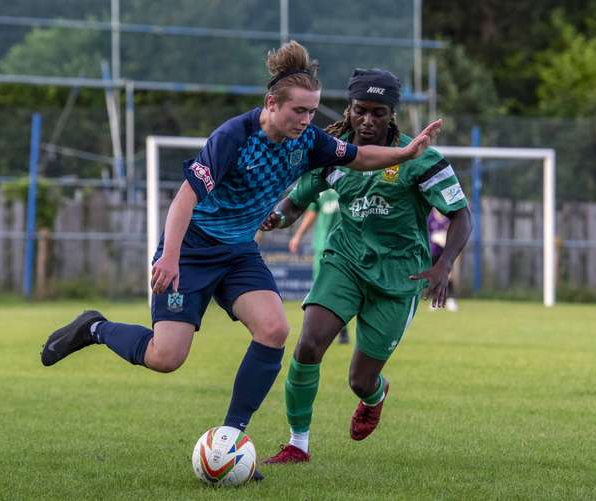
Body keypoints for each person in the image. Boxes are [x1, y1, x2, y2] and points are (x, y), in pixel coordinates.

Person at [39, 43, 444, 478]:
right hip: (192, 252)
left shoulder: (307, 141)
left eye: (313, 112)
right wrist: (170, 257)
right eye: (300, 111)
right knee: (166, 357)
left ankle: (231, 440)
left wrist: (405, 154)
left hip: (237, 254)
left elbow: (359, 156)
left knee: (274, 330)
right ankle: (95, 328)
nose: (308, 121)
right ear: (272, 103)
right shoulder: (233, 136)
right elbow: (184, 199)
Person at [260, 69, 472, 465]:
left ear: (391, 114)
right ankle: (297, 444)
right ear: (350, 109)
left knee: (360, 380)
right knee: (308, 346)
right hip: (346, 263)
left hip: (399, 276)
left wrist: (443, 267)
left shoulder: (419, 159)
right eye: (361, 111)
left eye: (378, 113)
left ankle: (375, 396)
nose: (368, 121)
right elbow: (295, 202)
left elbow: (462, 216)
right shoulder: (332, 154)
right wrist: (275, 218)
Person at [287, 188, 350, 344]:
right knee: (320, 290)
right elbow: (312, 212)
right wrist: (297, 236)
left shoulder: (352, 177)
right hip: (323, 246)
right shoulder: (323, 181)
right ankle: (318, 331)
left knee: (342, 290)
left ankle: (341, 330)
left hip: (347, 247)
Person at [428, 208, 459, 311]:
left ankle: (450, 299)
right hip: (434, 251)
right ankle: (435, 300)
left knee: (448, 276)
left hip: (446, 252)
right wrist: (434, 238)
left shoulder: (448, 216)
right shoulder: (431, 216)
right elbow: (426, 232)